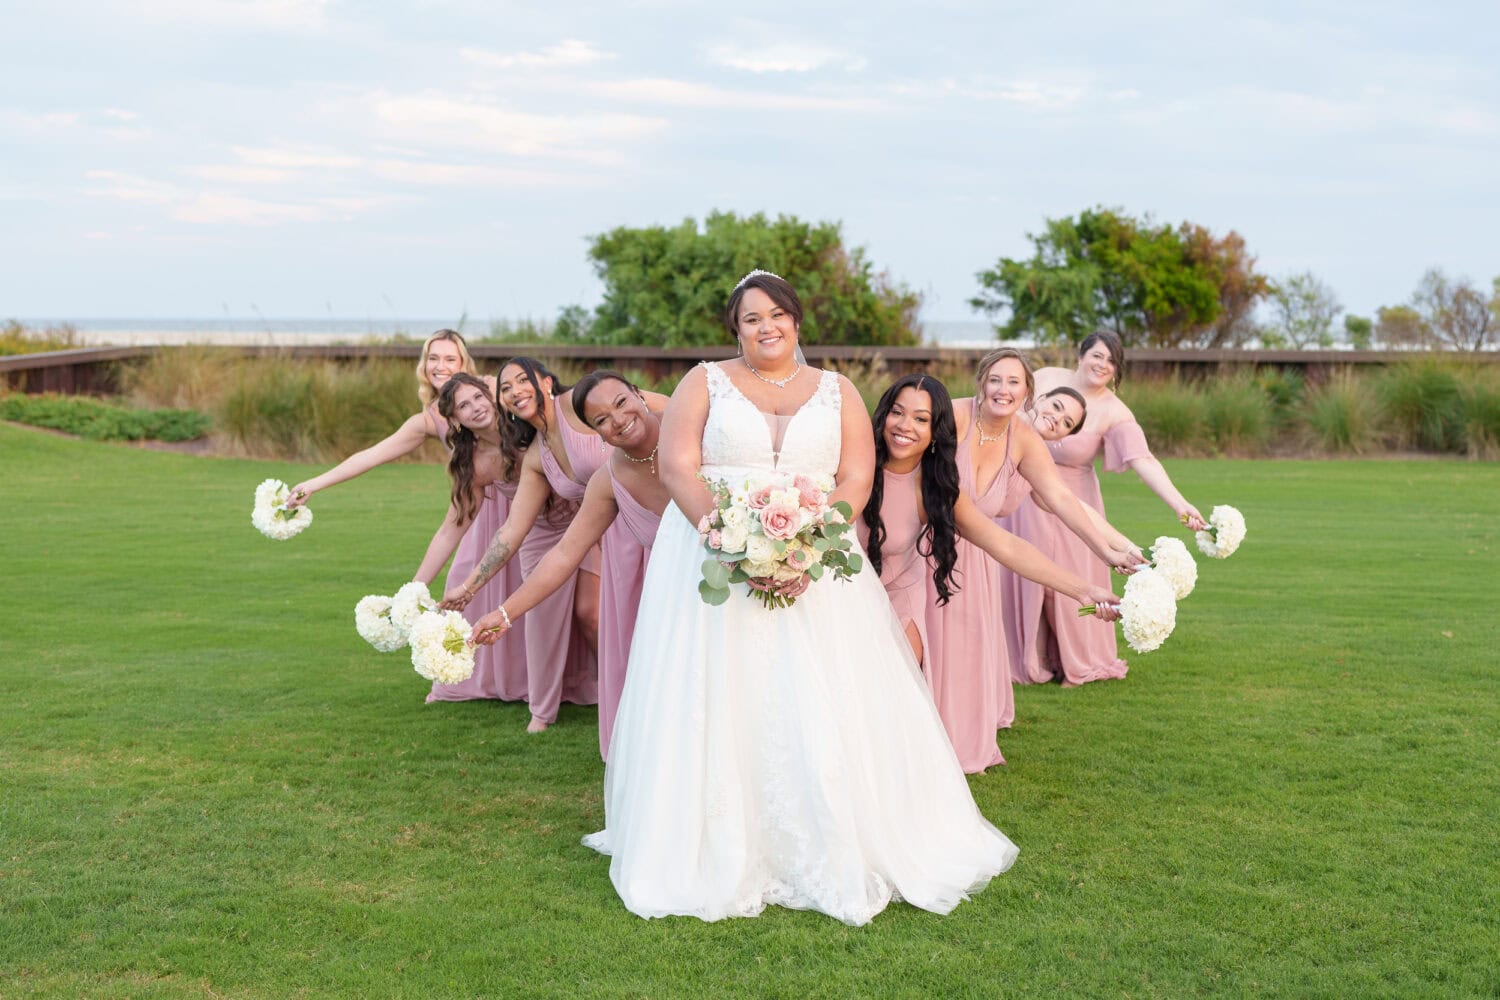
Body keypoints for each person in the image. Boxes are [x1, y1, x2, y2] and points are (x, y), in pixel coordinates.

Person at [584, 270, 1018, 926]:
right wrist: (732, 542)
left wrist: (807, 547)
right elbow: (677, 466)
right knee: (721, 686)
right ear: (736, 327)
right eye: (752, 317)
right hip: (709, 551)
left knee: (819, 688)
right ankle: (714, 838)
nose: (767, 327)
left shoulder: (838, 390)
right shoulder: (702, 381)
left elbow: (856, 474)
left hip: (814, 556)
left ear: (797, 320)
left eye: (777, 314)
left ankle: (837, 827)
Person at [279, 330, 526, 704]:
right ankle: (472, 679)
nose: (441, 366)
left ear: (465, 365)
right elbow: (371, 455)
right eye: (433, 358)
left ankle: (544, 682)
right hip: (481, 508)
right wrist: (316, 483)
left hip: (528, 495)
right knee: (466, 587)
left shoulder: (488, 391)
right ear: (423, 366)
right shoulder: (428, 420)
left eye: (450, 359)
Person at [936, 350, 1140, 764]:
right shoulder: (954, 416)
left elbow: (1068, 503)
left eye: (1014, 383)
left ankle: (952, 733)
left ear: (1026, 390)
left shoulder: (1027, 447)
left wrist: (1116, 550)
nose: (1004, 389)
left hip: (978, 557)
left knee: (962, 648)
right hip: (928, 544)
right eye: (997, 379)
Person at [860, 374, 1120, 690]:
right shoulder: (854, 466)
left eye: (921, 419)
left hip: (899, 599)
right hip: (843, 597)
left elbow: (1007, 545)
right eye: (897, 412)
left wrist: (1084, 590)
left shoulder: (938, 491)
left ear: (936, 432)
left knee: (893, 689)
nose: (904, 426)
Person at [470, 370, 669, 761]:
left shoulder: (687, 431)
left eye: (621, 403)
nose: (616, 420)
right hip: (656, 573)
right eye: (601, 421)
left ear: (639, 396)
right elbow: (562, 554)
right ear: (598, 435)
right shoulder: (606, 481)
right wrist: (504, 612)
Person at [1005, 333, 1207, 686]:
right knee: (1024, 571)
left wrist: (1180, 504)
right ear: (1080, 356)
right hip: (1018, 484)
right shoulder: (1047, 377)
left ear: (1116, 371)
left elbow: (1142, 460)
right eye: (1097, 355)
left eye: (1111, 361)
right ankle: (1027, 657)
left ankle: (1074, 657)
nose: (1102, 365)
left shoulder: (1116, 411)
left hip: (1070, 492)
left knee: (1067, 576)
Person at [440, 358, 605, 733]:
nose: (515, 391)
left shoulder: (577, 407)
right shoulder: (530, 450)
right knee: (540, 620)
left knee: (590, 612)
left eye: (521, 381)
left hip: (589, 522)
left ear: (545, 382)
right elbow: (512, 528)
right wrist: (469, 587)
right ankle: (542, 711)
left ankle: (615, 687)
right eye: (507, 388)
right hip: (543, 534)